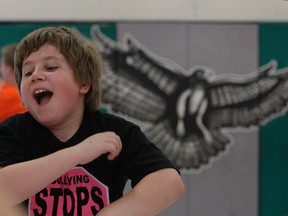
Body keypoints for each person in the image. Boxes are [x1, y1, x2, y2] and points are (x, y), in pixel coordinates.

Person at [0, 26, 185, 215]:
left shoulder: (115, 131)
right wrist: (77, 153)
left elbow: (169, 181)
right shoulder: (12, 132)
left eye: (51, 67)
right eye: (28, 72)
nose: (36, 76)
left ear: (83, 83)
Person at [0, 44, 27, 122]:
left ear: (11, 69)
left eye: (2, 65)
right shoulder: (21, 89)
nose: (1, 69)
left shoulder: (9, 95)